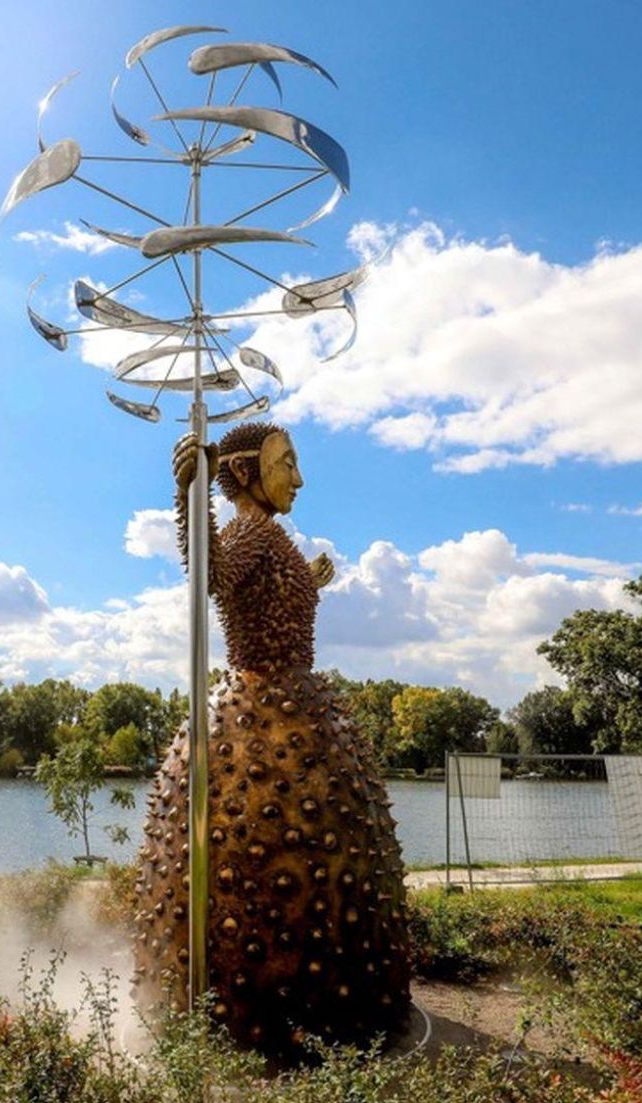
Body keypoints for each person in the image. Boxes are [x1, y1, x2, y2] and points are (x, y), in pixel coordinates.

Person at [131, 421, 411, 1055]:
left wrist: (309, 579)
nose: (299, 478)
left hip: (298, 704)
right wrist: (188, 493)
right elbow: (214, 579)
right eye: (286, 464)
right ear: (247, 475)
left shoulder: (270, 536)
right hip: (260, 714)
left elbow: (267, 600)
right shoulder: (251, 531)